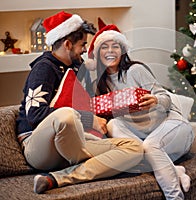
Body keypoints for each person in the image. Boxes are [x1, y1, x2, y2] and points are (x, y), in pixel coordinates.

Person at [16, 11, 143, 194]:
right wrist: (90, 120)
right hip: (39, 147)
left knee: (135, 148)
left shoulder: (76, 67)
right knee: (66, 114)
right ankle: (92, 161)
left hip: (72, 143)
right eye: (82, 44)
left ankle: (58, 178)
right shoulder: (44, 68)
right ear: (68, 44)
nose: (85, 49)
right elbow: (35, 115)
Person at [86, 21, 195, 200]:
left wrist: (155, 100)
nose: (110, 51)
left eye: (116, 46)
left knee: (150, 145)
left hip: (172, 126)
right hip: (143, 137)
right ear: (98, 54)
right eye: (104, 47)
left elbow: (166, 99)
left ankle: (175, 197)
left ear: (122, 51)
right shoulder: (100, 85)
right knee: (117, 127)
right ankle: (175, 170)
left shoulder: (135, 71)